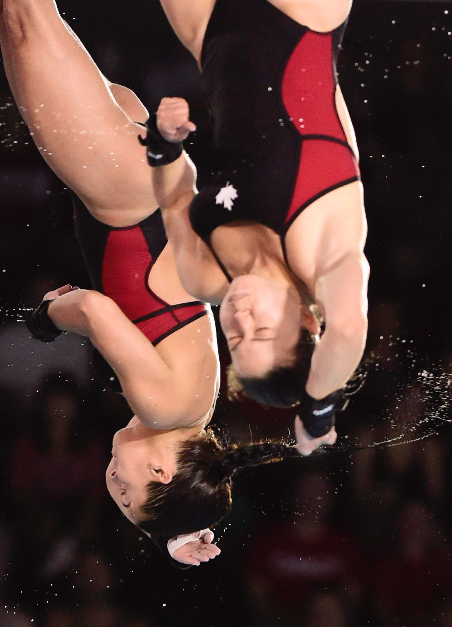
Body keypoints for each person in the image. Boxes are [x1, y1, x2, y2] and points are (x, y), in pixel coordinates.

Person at [0, 0, 305, 565]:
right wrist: (45, 321)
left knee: (34, 23)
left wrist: (178, 528)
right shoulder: (163, 407)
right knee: (24, 17)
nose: (111, 479)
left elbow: (184, 476)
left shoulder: (196, 409)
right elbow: (91, 309)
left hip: (141, 181)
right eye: (124, 491)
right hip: (121, 190)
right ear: (161, 469)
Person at [143, 0, 369, 456]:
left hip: (208, 35)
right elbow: (347, 330)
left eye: (234, 338)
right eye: (261, 332)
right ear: (308, 321)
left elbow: (173, 201)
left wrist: (163, 147)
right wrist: (317, 409)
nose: (240, 319)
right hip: (303, 17)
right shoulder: (324, 251)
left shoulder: (207, 277)